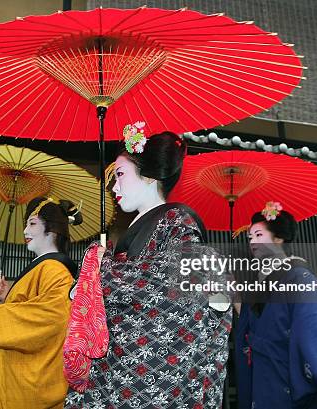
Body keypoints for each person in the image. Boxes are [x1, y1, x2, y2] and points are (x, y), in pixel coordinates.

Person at [65, 124, 232, 409]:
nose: (114, 187)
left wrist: (98, 271)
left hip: (151, 373)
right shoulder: (139, 227)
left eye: (119, 174)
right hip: (115, 366)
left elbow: (179, 285)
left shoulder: (176, 221)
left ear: (149, 176)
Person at [235, 202, 317, 409]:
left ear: (278, 238)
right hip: (264, 369)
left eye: (259, 235)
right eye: (250, 237)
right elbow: (254, 322)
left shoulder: (299, 277)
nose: (252, 242)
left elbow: (313, 323)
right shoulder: (260, 280)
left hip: (288, 368)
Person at [0, 197, 82, 409]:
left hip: (32, 375)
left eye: (32, 224)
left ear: (53, 230)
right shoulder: (43, 267)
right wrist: (8, 296)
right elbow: (34, 304)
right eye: (26, 224)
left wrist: (4, 315)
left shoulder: (54, 270)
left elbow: (55, 317)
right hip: (17, 371)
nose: (25, 232)